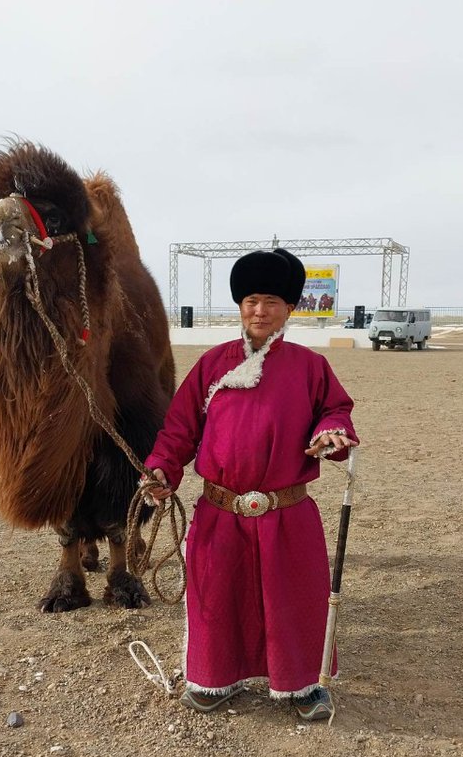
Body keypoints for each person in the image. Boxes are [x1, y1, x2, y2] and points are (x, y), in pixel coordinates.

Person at [144, 248, 358, 722]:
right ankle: (215, 679)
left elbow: (335, 411)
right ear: (240, 305)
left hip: (288, 511)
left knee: (295, 602)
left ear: (290, 308)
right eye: (251, 300)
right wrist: (162, 468)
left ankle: (303, 685)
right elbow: (178, 430)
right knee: (218, 599)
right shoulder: (211, 365)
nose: (260, 311)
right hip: (221, 511)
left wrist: (332, 432)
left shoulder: (310, 367)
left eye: (272, 302)